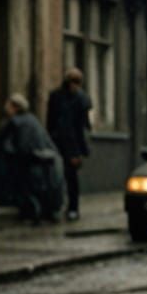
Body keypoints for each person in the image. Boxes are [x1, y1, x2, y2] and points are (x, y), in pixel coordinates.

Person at [0, 93, 64, 224]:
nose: (6, 108)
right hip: (43, 159)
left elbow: (12, 143)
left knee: (26, 187)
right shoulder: (33, 119)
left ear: (15, 107)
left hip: (28, 161)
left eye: (8, 106)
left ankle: (33, 210)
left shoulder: (15, 122)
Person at [46, 67, 93, 221]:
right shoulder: (57, 97)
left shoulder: (82, 100)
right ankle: (56, 206)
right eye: (72, 82)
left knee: (71, 178)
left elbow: (83, 127)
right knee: (56, 177)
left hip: (71, 145)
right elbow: (52, 122)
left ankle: (73, 208)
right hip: (58, 143)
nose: (75, 85)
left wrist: (79, 152)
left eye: (77, 82)